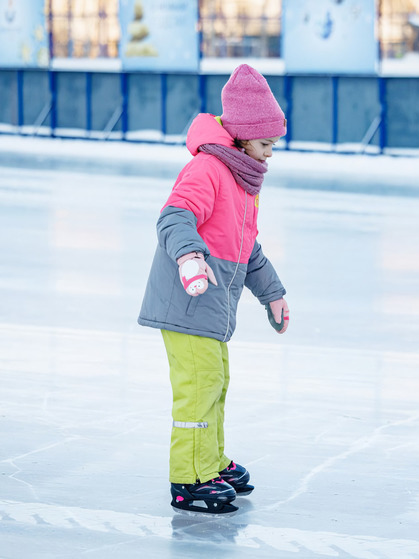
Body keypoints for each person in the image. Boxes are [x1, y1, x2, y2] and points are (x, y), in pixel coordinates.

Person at [138, 64, 289, 514]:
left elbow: (248, 250)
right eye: (265, 145)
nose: (269, 155)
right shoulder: (207, 168)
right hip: (187, 302)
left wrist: (272, 293)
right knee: (198, 388)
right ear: (242, 138)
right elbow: (173, 217)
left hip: (211, 307)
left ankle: (211, 463)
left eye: (273, 146)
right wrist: (189, 257)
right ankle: (188, 479)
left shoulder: (242, 182)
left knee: (216, 383)